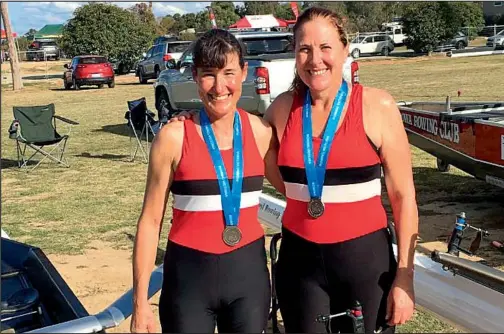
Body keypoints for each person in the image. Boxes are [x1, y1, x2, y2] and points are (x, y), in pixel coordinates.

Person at [264, 7, 418, 334]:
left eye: (325, 47)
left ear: (345, 49)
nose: (314, 59)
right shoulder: (281, 109)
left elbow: (404, 197)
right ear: (295, 54)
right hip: (300, 264)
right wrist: (189, 120)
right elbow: (247, 148)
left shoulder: (377, 106)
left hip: (364, 263)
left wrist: (404, 276)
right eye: (304, 49)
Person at [130, 29, 283, 333]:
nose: (219, 86)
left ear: (244, 72)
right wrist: (140, 302)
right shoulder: (173, 137)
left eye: (228, 72)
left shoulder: (260, 132)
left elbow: (298, 189)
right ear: (195, 76)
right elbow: (149, 221)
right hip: (188, 281)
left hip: (248, 280)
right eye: (208, 74)